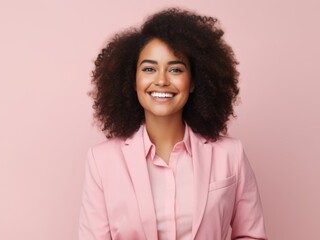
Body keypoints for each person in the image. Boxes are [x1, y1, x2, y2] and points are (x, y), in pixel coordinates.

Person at [79, 8, 267, 240]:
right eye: (149, 69)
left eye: (175, 69)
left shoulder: (231, 154)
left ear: (194, 82)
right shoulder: (102, 161)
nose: (161, 80)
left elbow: (251, 235)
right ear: (132, 81)